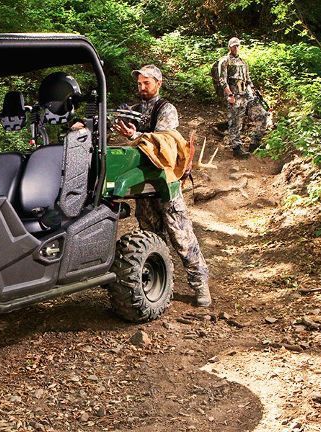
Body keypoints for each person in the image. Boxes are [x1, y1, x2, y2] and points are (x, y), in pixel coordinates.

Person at [112, 65, 212, 307]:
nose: (142, 88)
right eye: (139, 84)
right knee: (150, 236)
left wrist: (134, 135)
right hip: (143, 182)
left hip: (165, 180)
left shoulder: (166, 109)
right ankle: (160, 282)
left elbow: (163, 141)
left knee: (181, 235)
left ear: (158, 83)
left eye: (146, 83)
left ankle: (200, 284)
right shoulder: (136, 109)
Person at [218, 37, 269, 158]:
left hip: (247, 95)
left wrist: (255, 93)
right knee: (235, 122)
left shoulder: (243, 62)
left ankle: (255, 143)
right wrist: (229, 95)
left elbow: (248, 80)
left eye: (237, 46)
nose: (236, 48)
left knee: (262, 115)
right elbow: (222, 80)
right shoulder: (224, 61)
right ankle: (237, 148)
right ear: (229, 47)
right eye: (233, 46)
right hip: (235, 96)